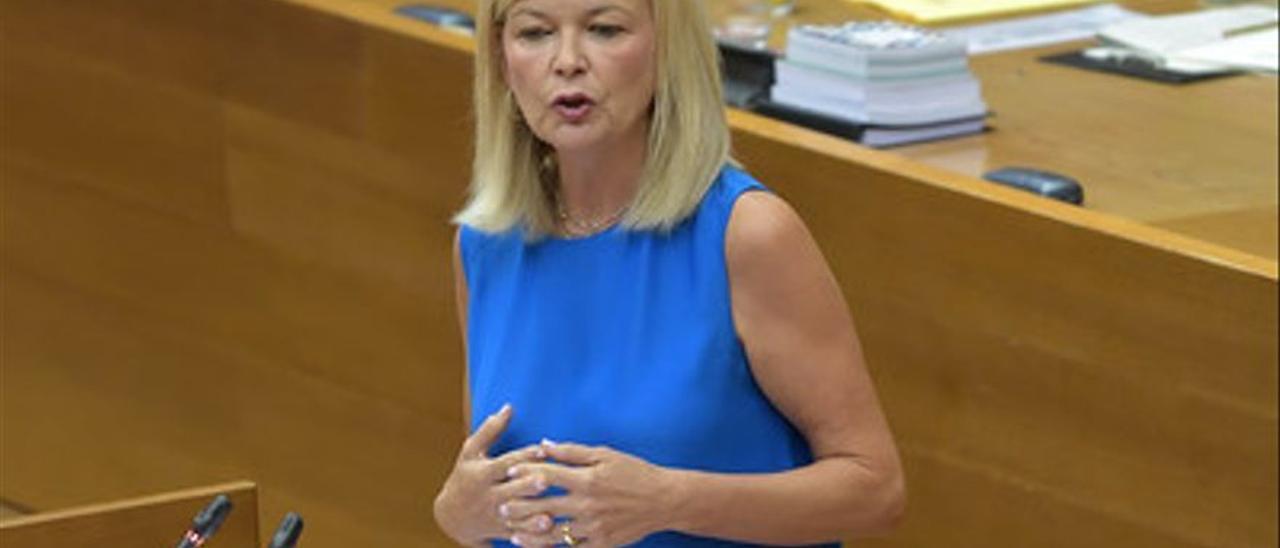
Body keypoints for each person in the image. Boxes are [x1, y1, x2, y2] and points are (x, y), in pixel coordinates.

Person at [433, 0, 905, 545]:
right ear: (499, 56)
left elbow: (875, 490)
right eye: (535, 33)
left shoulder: (747, 235)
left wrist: (671, 501)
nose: (566, 61)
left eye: (604, 29)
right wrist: (459, 513)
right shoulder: (484, 243)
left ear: (668, 50)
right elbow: (491, 489)